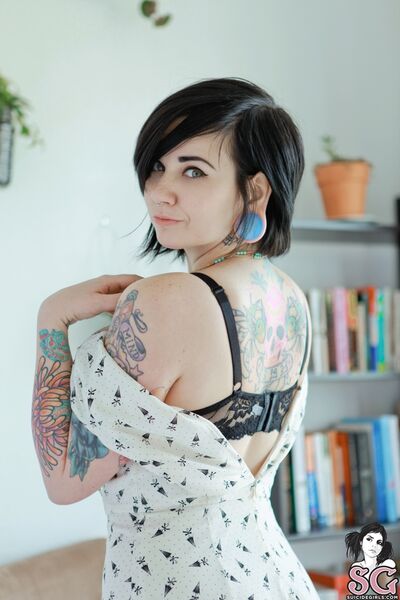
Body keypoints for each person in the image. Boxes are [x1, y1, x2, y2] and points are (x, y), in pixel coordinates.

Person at [33, 77, 318, 599]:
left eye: (193, 171)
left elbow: (64, 478)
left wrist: (51, 319)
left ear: (255, 190)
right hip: (273, 577)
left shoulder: (167, 299)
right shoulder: (291, 299)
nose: (159, 191)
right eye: (156, 167)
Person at [345, 522, 397, 593]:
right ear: (361, 541)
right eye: (369, 539)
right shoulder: (357, 567)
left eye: (379, 542)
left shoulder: (385, 566)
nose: (373, 545)